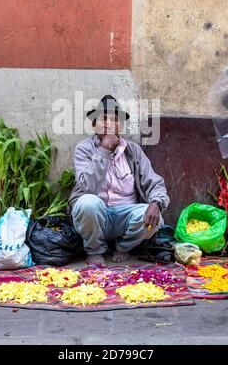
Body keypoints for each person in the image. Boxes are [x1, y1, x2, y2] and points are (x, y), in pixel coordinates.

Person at [67, 95, 170, 266]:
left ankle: (123, 247)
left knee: (155, 217)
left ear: (120, 125)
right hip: (95, 217)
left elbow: (154, 182)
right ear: (94, 125)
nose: (109, 124)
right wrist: (104, 150)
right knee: (88, 203)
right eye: (103, 119)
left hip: (124, 216)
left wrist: (157, 203)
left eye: (115, 120)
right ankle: (95, 249)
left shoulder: (133, 151)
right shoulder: (84, 149)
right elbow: (88, 187)